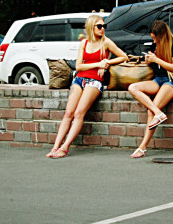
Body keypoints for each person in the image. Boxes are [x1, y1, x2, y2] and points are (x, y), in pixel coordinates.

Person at [47, 15, 128, 159]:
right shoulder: (84, 43)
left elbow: (124, 57)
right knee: (68, 113)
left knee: (79, 113)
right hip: (79, 79)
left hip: (95, 81)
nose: (102, 29)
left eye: (104, 26)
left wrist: (107, 63)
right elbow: (79, 66)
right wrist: (98, 64)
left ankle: (64, 148)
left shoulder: (106, 42)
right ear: (91, 27)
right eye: (99, 26)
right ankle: (55, 147)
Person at [127, 20, 173, 159]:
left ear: (161, 35)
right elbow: (154, 66)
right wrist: (149, 60)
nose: (153, 41)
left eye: (155, 38)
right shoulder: (155, 45)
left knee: (150, 111)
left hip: (171, 81)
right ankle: (159, 113)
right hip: (158, 80)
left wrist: (156, 60)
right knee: (133, 87)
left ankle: (142, 147)